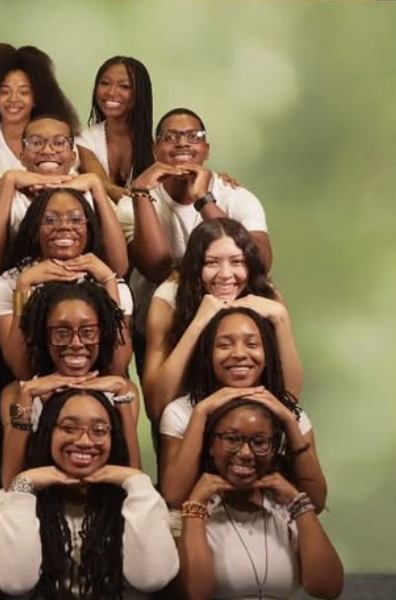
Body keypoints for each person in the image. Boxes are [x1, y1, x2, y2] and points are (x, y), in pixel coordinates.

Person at [117, 107, 272, 373]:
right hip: (161, 323)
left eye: (194, 136)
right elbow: (157, 266)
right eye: (171, 136)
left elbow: (259, 261)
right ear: (155, 150)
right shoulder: (133, 204)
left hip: (231, 323)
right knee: (167, 409)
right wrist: (141, 193)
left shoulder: (236, 196)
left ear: (207, 149)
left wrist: (203, 199)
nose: (182, 143)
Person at [0, 389, 179, 599]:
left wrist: (137, 481)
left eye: (99, 430)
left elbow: (152, 579)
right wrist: (24, 485)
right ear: (47, 432)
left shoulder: (140, 498)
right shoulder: (10, 501)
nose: (85, 441)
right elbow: (14, 583)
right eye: (69, 428)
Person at [160, 307, 326, 512]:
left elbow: (316, 502)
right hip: (202, 529)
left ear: (267, 355)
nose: (239, 354)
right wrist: (201, 413)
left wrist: (288, 420)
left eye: (252, 344)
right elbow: (174, 497)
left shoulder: (290, 414)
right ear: (208, 355)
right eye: (224, 345)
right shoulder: (181, 412)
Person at [175, 398, 343, 600]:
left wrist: (298, 502)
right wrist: (194, 509)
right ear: (211, 446)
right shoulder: (196, 510)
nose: (246, 453)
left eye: (259, 442)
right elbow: (196, 594)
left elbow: (328, 589)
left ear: (273, 449)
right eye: (231, 439)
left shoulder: (287, 509)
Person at [143, 218, 301, 423]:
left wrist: (280, 318)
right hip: (189, 417)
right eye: (211, 263)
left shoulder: (265, 293)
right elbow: (156, 407)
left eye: (237, 262)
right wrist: (199, 322)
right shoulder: (169, 298)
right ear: (195, 267)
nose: (226, 275)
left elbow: (290, 398)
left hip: (255, 416)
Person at [0, 280, 141, 489]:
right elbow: (10, 483)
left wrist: (121, 398)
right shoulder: (17, 394)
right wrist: (28, 394)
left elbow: (135, 480)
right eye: (61, 333)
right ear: (44, 336)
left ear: (102, 334)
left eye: (87, 332)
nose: (76, 343)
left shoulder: (122, 390)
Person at [0, 187, 129, 379]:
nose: (64, 227)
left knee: (128, 391)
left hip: (95, 387)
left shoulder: (111, 282)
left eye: (76, 220)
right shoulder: (6, 284)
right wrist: (23, 286)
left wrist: (109, 282)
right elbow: (22, 370)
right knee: (11, 398)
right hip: (38, 387)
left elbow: (116, 367)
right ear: (35, 231)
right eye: (51, 220)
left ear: (88, 229)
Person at [0, 115, 127, 278]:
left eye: (59, 143)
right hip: (21, 284)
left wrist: (96, 184)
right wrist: (9, 181)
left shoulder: (91, 191)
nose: (48, 151)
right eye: (36, 143)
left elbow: (118, 267)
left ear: (73, 157)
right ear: (22, 156)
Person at [0, 43, 79, 189]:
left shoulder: (62, 140)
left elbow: (71, 181)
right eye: (5, 92)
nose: (13, 99)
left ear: (36, 98)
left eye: (23, 92)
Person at [78, 56, 154, 200]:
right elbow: (103, 187)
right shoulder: (84, 141)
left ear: (140, 94)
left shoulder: (156, 145)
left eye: (124, 86)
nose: (111, 92)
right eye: (105, 83)